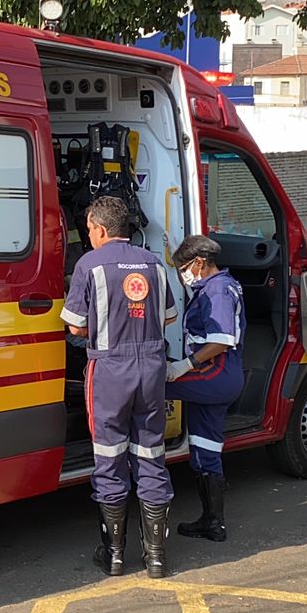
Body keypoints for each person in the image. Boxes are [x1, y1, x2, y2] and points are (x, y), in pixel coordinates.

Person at [62, 197, 178, 578]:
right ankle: (156, 558)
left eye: (90, 230)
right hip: (152, 368)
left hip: (111, 369)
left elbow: (76, 327)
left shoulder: (88, 265)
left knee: (109, 456)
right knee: (151, 454)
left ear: (98, 228)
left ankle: (113, 555)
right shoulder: (153, 263)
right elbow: (169, 316)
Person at [164, 234, 245, 541]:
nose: (183, 274)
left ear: (199, 263)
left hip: (215, 375)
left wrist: (184, 366)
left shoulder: (219, 290)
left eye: (183, 267)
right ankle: (213, 523)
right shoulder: (215, 287)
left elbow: (220, 341)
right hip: (217, 377)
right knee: (205, 447)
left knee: (149, 382)